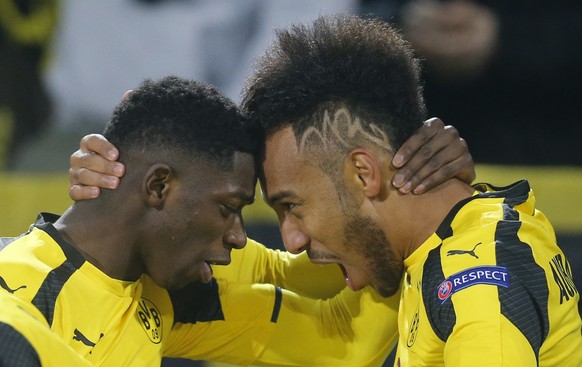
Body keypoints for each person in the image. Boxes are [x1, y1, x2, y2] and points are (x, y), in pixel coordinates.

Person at [67, 13, 582, 367]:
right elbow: (275, 280)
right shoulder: (435, 250)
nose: (288, 238)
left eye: (292, 206)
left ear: (364, 173)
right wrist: (123, 194)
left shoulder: (477, 285)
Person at [2, 75, 475, 366]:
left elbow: (340, 342)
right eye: (229, 208)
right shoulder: (16, 288)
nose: (237, 236)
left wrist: (415, 205)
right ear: (159, 187)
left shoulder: (163, 301)